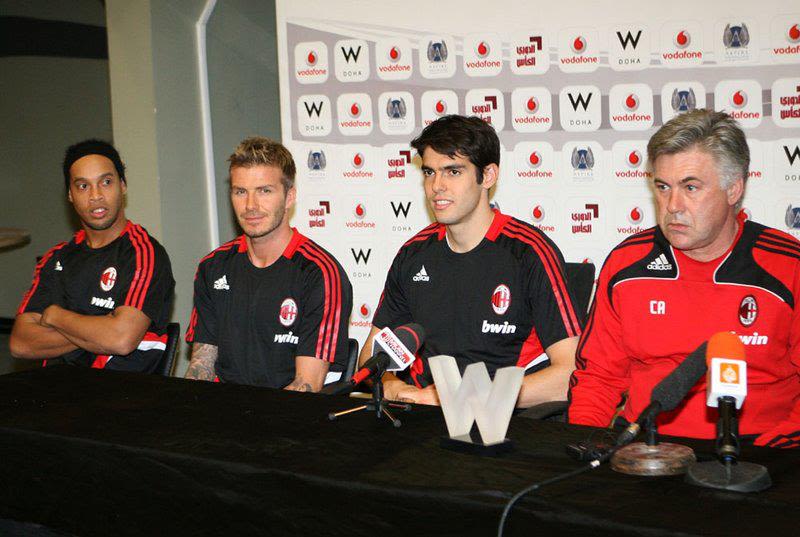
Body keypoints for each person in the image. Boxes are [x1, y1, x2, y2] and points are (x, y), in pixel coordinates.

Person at [568, 109, 800, 448]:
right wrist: (588, 445)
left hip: (760, 453)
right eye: (663, 187)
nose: (673, 205)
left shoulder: (788, 266)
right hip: (644, 449)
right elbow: (598, 379)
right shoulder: (626, 264)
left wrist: (770, 460)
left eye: (691, 187)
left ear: (734, 189)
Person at [361, 115, 582, 407]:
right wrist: (394, 388)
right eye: (429, 172)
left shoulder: (529, 252)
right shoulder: (413, 254)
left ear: (487, 176)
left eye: (453, 172)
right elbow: (370, 358)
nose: (436, 186)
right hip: (422, 415)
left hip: (500, 420)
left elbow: (570, 373)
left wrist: (461, 401)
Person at [184, 137, 352, 392]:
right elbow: (201, 366)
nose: (250, 206)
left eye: (264, 191)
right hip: (221, 412)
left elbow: (307, 384)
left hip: (287, 413)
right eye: (240, 192)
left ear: (289, 197)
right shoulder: (213, 266)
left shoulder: (319, 273)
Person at [10, 139, 175, 372]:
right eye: (83, 186)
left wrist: (55, 316)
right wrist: (98, 331)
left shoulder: (143, 253)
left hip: (120, 391)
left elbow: (121, 339)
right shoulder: (56, 258)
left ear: (123, 185)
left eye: (106, 182)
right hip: (56, 389)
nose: (96, 195)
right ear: (70, 195)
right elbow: (20, 343)